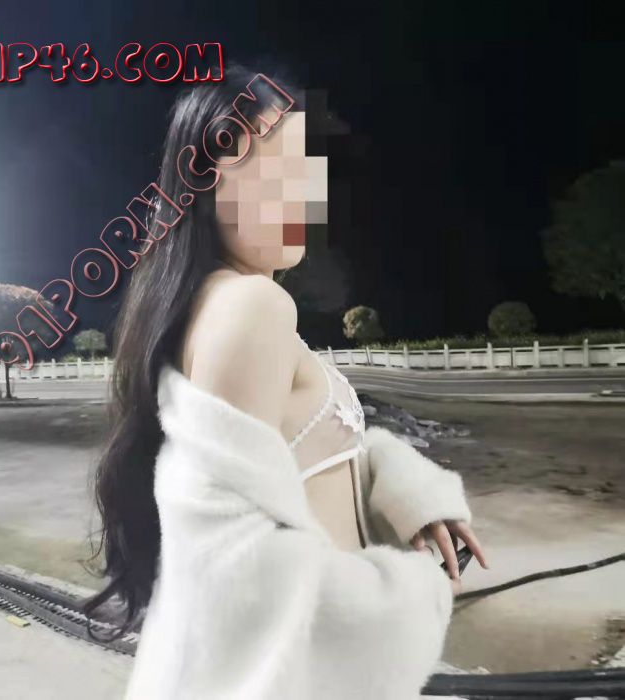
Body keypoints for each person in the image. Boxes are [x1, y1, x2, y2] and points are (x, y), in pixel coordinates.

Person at [83, 63, 488, 699]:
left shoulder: (208, 303)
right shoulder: (253, 307)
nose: (305, 187)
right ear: (209, 179)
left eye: (307, 164)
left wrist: (404, 489)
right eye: (278, 164)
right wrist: (415, 595)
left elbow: (296, 455)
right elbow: (241, 573)